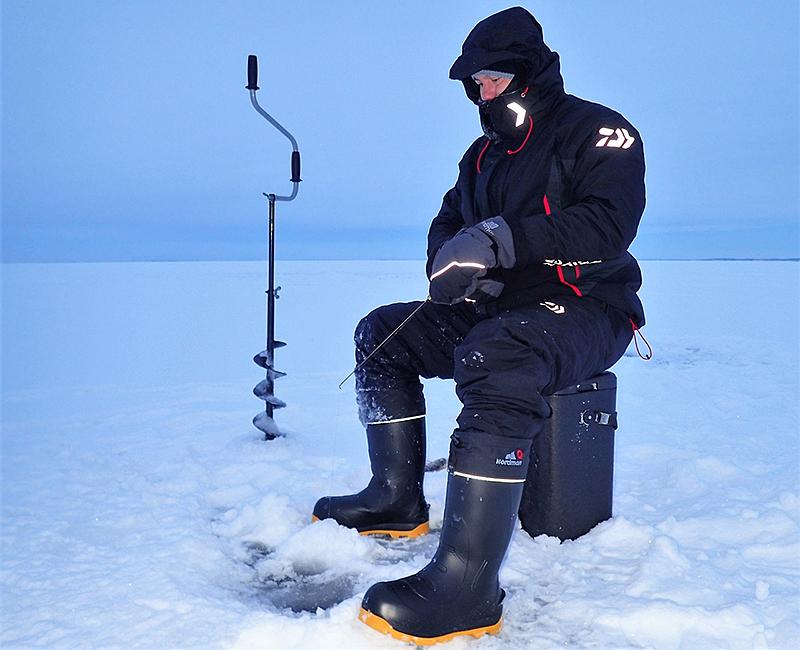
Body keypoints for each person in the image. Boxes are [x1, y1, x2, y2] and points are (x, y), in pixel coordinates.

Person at [313, 6, 646, 644]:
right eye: (475, 84)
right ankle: (395, 497)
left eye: (490, 80)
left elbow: (608, 226)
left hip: (587, 308)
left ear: (524, 73)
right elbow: (449, 219)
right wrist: (449, 263)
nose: (480, 92)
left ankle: (468, 586)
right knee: (380, 335)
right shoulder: (483, 154)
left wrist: (503, 241)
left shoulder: (601, 132)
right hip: (500, 305)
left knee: (497, 356)